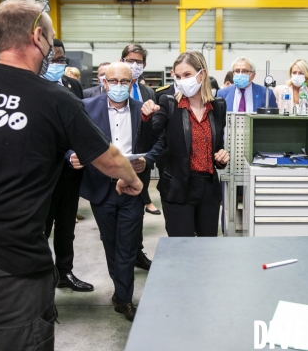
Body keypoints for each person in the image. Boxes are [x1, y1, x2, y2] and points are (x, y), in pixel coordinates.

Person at [0, 0, 143, 350]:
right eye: (51, 39)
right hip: (12, 263)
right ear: (38, 37)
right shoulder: (54, 99)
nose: (52, 48)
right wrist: (133, 179)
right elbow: (109, 158)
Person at [72, 62, 162, 321]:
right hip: (101, 188)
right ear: (104, 82)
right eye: (113, 81)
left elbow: (158, 143)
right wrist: (71, 156)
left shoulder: (142, 111)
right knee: (110, 243)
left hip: (132, 188)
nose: (119, 86)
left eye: (125, 82)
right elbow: (67, 140)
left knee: (127, 245)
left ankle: (124, 299)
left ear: (132, 83)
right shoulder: (87, 108)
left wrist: (147, 160)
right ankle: (119, 288)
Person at [141, 51, 230, 237]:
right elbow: (146, 142)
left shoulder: (218, 106)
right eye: (178, 76)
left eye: (187, 75)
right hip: (178, 188)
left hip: (208, 189)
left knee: (208, 247)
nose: (182, 81)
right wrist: (146, 119)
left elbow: (218, 146)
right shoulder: (168, 103)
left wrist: (222, 157)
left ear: (202, 74)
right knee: (181, 249)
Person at [43, 38, 93, 292]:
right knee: (41, 227)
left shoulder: (72, 85)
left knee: (66, 225)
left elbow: (79, 124)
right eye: (51, 59)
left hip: (70, 170)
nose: (56, 63)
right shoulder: (31, 85)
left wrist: (76, 151)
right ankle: (42, 281)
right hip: (41, 174)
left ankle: (65, 271)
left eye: (60, 59)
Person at [121, 43, 159, 270]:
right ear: (122, 61)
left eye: (138, 62)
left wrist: (147, 158)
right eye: (130, 60)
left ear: (144, 66)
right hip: (117, 159)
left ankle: (137, 252)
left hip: (140, 161)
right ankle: (123, 254)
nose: (134, 65)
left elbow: (152, 129)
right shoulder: (112, 87)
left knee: (137, 212)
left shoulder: (148, 92)